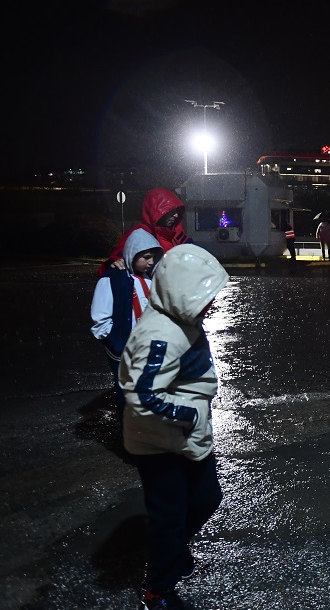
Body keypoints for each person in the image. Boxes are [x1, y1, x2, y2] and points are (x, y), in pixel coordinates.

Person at [120, 244, 230, 610]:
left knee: (205, 498)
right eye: (205, 295)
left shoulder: (180, 322)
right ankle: (158, 589)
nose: (211, 303)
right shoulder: (160, 335)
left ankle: (171, 553)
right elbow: (142, 395)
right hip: (161, 444)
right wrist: (192, 415)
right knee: (169, 517)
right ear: (183, 292)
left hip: (181, 438)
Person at [90, 228, 163, 423]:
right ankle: (132, 443)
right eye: (146, 257)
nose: (151, 262)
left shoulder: (151, 278)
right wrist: (115, 343)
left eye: (154, 257)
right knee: (129, 397)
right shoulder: (112, 280)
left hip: (150, 347)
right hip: (125, 351)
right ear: (132, 253)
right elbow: (101, 319)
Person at [100, 188, 190, 277]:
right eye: (170, 211)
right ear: (157, 211)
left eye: (176, 211)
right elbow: (113, 265)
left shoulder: (175, 234)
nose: (176, 215)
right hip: (149, 288)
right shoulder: (138, 235)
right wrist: (114, 264)